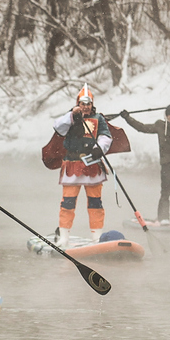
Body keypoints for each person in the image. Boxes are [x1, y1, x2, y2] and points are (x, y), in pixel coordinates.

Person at [44, 85, 127, 241]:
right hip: (72, 165)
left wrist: (99, 148)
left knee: (95, 202)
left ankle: (96, 236)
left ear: (92, 104)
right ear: (78, 104)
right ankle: (64, 236)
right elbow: (58, 127)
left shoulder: (99, 118)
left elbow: (106, 136)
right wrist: (72, 115)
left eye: (88, 104)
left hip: (92, 164)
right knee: (68, 203)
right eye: (83, 104)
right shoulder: (69, 118)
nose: (86, 107)